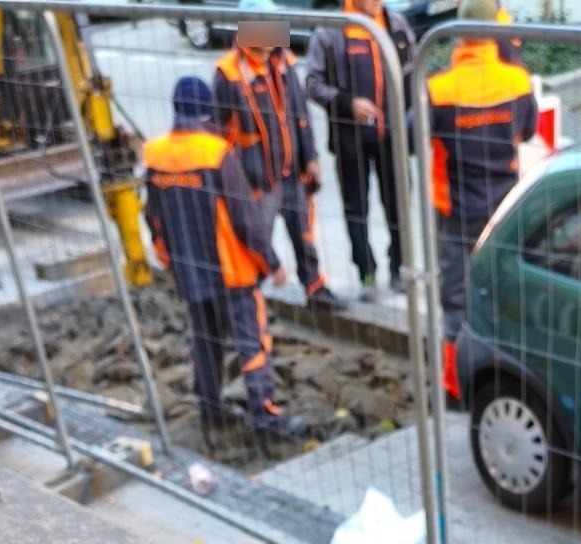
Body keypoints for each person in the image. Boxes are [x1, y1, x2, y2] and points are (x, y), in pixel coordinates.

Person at [144, 76, 291, 444]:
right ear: (207, 111)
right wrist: (271, 263)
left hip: (191, 273)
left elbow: (154, 218)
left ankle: (210, 408)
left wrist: (169, 260)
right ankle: (265, 416)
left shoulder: (155, 154)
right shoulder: (217, 153)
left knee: (206, 340)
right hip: (233, 273)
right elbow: (245, 220)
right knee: (251, 341)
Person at [424, 0, 537, 399]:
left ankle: (454, 389)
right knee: (503, 295)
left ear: (458, 34)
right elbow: (528, 131)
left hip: (457, 213)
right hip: (504, 211)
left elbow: (412, 138)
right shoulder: (517, 81)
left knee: (456, 301)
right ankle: (503, 381)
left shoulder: (439, 89)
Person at [213, 0, 345, 310]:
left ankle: (315, 290)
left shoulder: (283, 60)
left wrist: (310, 157)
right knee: (256, 242)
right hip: (257, 180)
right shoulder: (228, 73)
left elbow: (299, 112)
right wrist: (235, 179)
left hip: (292, 172)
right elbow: (219, 136)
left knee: (304, 235)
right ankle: (247, 304)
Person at [305, 0, 415, 301]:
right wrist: (346, 103)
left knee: (399, 205)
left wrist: (408, 120)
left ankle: (400, 268)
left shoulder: (396, 24)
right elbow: (312, 83)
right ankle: (366, 273)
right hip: (349, 140)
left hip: (391, 137)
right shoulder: (329, 32)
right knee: (357, 210)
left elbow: (412, 71)